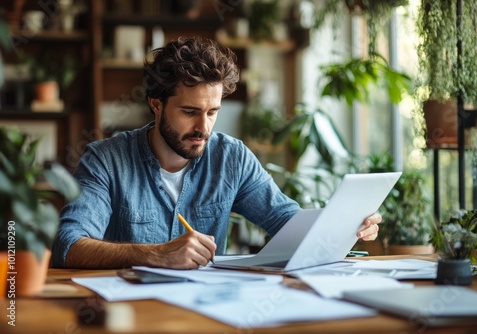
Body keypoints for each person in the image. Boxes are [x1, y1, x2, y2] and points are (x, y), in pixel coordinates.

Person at [51, 36, 382, 269]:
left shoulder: (231, 158)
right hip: (125, 315)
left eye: (212, 112)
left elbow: (287, 221)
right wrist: (155, 254)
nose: (203, 127)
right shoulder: (105, 161)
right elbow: (69, 245)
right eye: (189, 111)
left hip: (207, 314)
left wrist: (346, 225)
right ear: (156, 105)